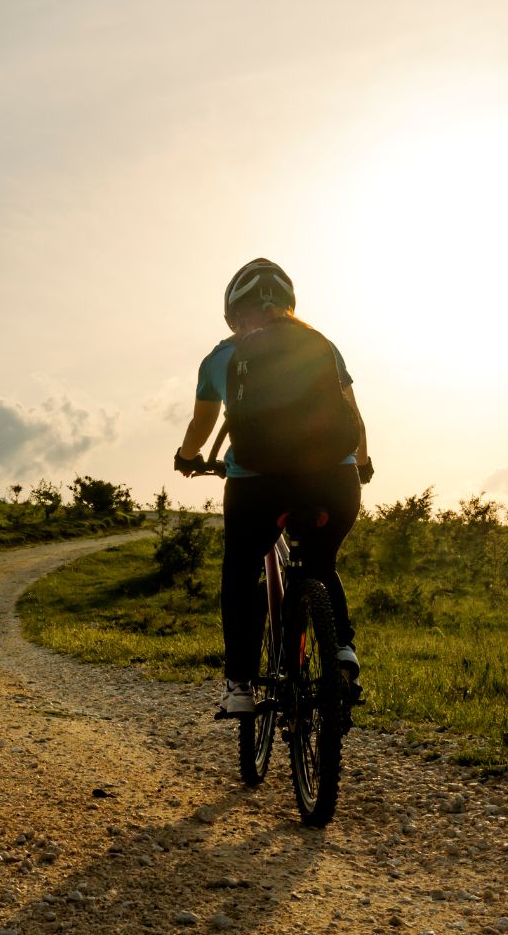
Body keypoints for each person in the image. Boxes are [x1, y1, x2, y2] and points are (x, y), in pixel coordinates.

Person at [174, 258, 371, 715]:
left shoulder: (219, 358)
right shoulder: (322, 346)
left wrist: (187, 459)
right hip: (333, 481)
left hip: (256, 487)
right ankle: (342, 650)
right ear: (288, 307)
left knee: (241, 572)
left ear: (234, 315)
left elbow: (200, 427)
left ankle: (240, 684)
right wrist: (360, 464)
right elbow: (354, 418)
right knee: (321, 560)